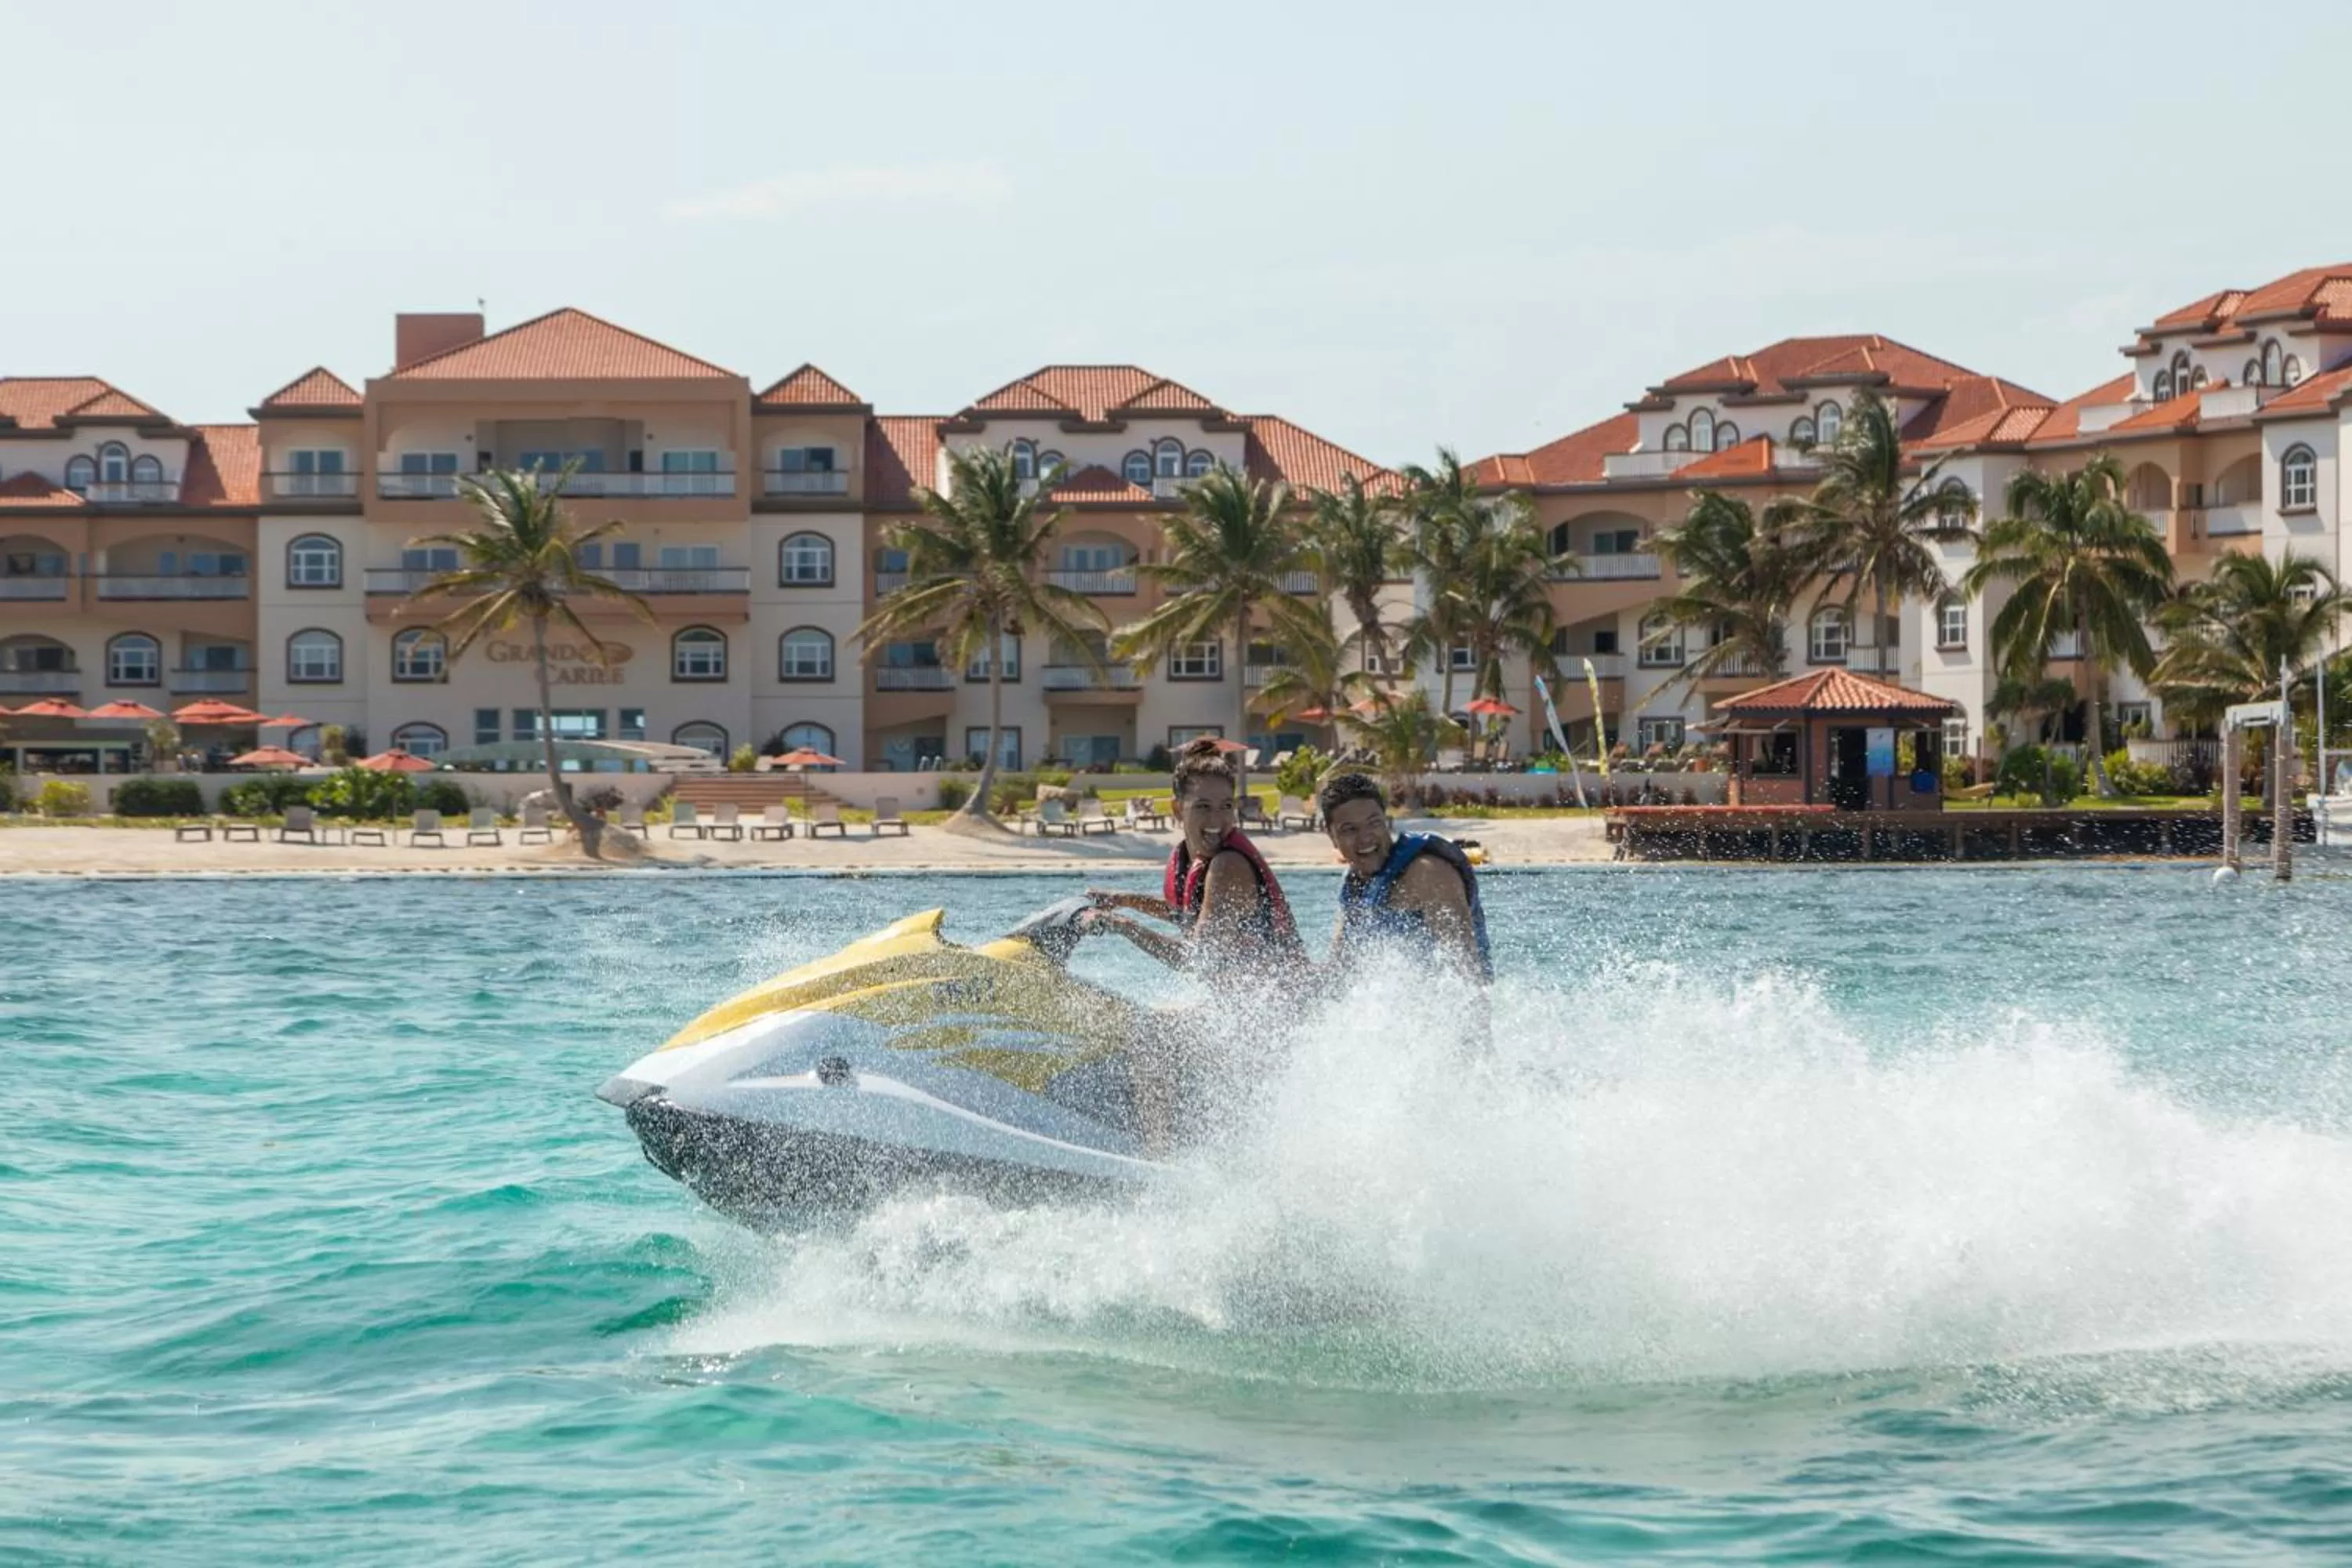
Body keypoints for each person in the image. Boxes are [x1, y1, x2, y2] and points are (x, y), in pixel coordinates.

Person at [1081, 737, 1302, 1154]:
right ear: (1177, 809)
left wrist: (1123, 926)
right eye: (1203, 807)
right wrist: (1125, 899)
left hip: (1273, 1026)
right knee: (1134, 1018)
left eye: (1226, 806)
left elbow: (1195, 958)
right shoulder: (1192, 858)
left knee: (1151, 1031)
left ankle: (1159, 1158)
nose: (1218, 819)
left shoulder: (1229, 866)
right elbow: (1186, 915)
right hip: (1242, 1015)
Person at [1317, 771, 1490, 980]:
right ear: (1332, 836)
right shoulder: (1355, 884)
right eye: (1349, 829)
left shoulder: (1428, 874)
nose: (1365, 838)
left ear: (1386, 821)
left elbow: (1470, 975)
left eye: (1374, 823)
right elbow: (1337, 973)